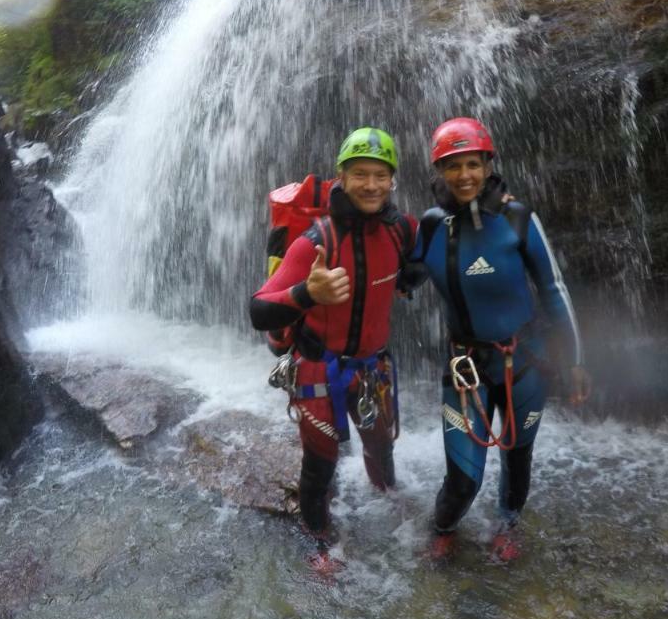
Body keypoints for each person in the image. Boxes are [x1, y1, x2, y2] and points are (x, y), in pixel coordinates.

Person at [410, 116, 589, 561]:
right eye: (453, 167)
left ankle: (507, 524)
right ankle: (444, 527)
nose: (464, 176)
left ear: (488, 164)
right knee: (463, 476)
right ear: (439, 172)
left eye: (473, 164)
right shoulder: (431, 226)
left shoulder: (518, 218)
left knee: (517, 459)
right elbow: (397, 278)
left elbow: (553, 289)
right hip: (465, 369)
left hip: (525, 361)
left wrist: (575, 362)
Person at [249, 127, 416, 572]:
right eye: (360, 174)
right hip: (318, 369)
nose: (371, 185)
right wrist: (307, 293)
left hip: (373, 367)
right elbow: (259, 309)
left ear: (392, 180)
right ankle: (320, 544)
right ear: (341, 177)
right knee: (320, 465)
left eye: (380, 175)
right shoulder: (316, 242)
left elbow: (416, 267)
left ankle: (387, 500)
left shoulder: (401, 230)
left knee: (381, 449)